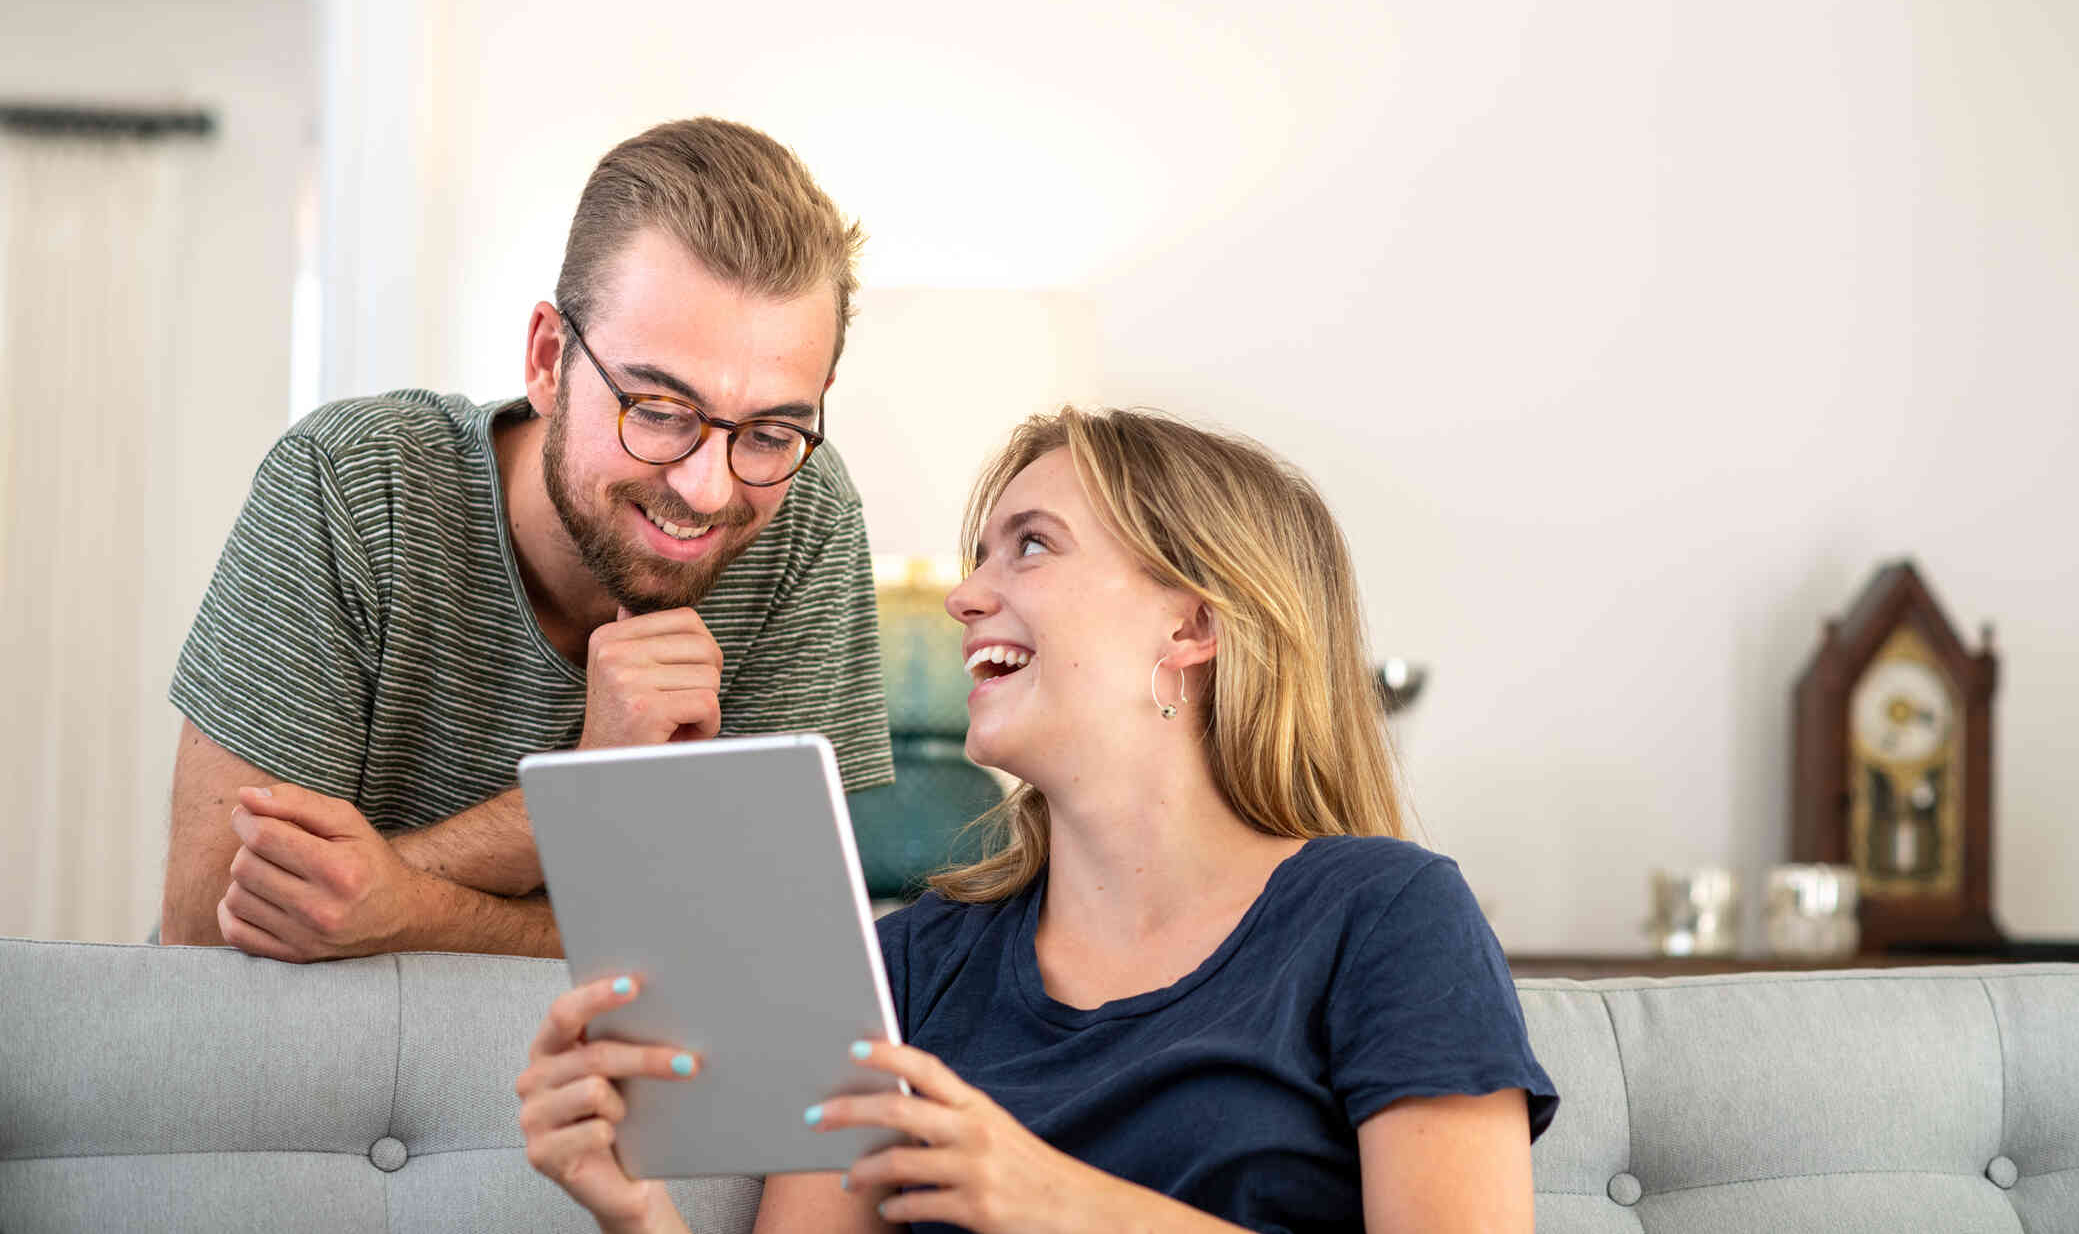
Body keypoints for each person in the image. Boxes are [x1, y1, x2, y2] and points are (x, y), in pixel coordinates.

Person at [516, 407, 1557, 1234]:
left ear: (1191, 622)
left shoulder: (1384, 918)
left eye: (1030, 546)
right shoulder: (909, 966)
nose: (966, 595)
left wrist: (1060, 1204)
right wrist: (633, 1207)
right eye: (979, 555)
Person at [157, 117, 894, 963]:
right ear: (548, 360)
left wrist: (409, 907)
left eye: (769, 430)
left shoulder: (803, 517)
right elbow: (207, 932)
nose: (710, 488)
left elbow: (753, 952)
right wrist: (592, 784)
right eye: (656, 411)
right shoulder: (355, 485)